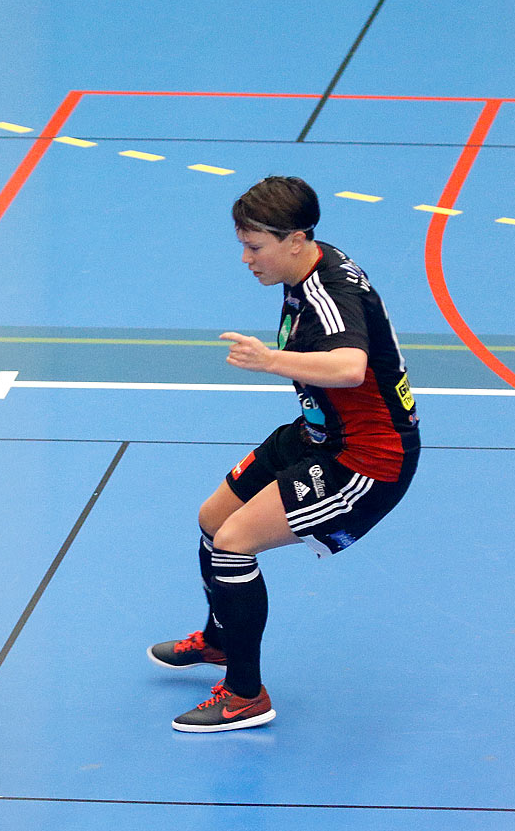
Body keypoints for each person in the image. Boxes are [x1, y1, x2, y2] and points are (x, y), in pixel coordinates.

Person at [147, 176, 421, 731]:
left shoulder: (328, 295)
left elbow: (350, 367)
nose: (245, 258)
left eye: (255, 247)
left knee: (232, 545)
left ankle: (246, 695)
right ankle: (223, 639)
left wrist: (270, 360)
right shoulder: (309, 268)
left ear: (295, 240)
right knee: (212, 518)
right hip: (319, 431)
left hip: (368, 459)